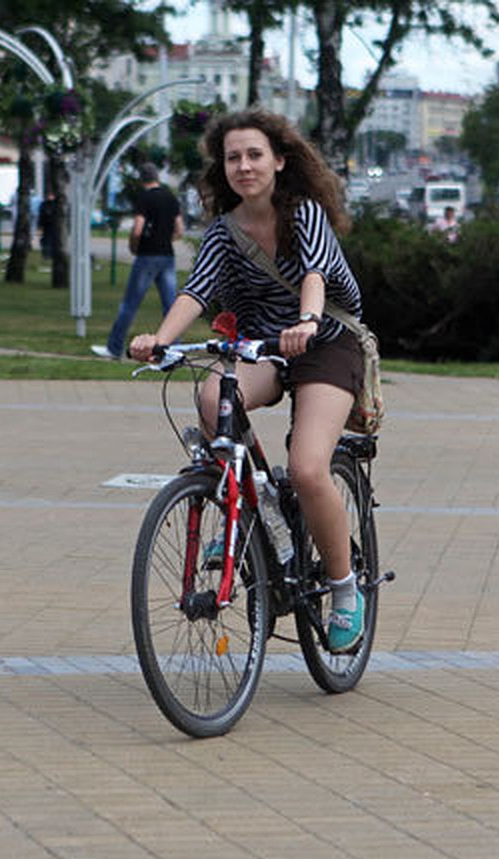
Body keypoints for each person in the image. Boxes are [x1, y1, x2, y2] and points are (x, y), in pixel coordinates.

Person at [128, 108, 368, 652]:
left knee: (308, 468)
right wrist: (160, 339)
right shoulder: (223, 232)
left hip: (326, 341)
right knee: (213, 396)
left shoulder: (305, 213)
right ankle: (243, 508)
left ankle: (344, 588)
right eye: (233, 157)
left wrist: (306, 322)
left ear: (280, 161)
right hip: (263, 346)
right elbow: (195, 291)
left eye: (255, 155)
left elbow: (314, 274)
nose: (244, 166)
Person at [92, 162, 185, 360]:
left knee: (130, 303)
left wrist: (135, 246)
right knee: (171, 305)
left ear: (142, 180)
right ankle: (175, 349)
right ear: (157, 177)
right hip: (167, 255)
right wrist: (165, 240)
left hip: (147, 256)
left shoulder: (145, 198)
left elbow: (137, 228)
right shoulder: (170, 198)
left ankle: (114, 347)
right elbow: (180, 229)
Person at [37, 189, 57, 260]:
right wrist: (39, 226)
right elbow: (41, 215)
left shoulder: (55, 204)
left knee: (52, 241)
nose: (50, 196)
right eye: (49, 195)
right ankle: (46, 255)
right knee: (46, 241)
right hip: (46, 225)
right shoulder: (44, 204)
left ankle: (50, 254)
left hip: (53, 225)